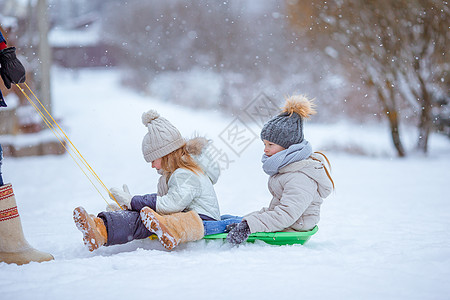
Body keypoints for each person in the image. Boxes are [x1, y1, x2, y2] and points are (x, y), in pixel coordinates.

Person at [73, 109, 239, 251]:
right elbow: (162, 203)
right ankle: (98, 225)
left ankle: (102, 231)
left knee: (146, 219)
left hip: (200, 222)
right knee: (146, 215)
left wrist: (134, 201)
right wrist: (132, 205)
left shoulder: (186, 174)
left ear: (166, 154)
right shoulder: (175, 174)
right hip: (184, 216)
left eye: (153, 160)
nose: (152, 166)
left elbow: (170, 204)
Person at [226, 95, 335, 245]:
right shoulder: (288, 169)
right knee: (230, 220)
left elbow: (287, 214)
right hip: (288, 222)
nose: (265, 150)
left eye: (270, 145)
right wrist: (245, 221)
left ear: (288, 146)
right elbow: (276, 209)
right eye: (264, 144)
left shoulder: (300, 176)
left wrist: (249, 227)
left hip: (295, 227)